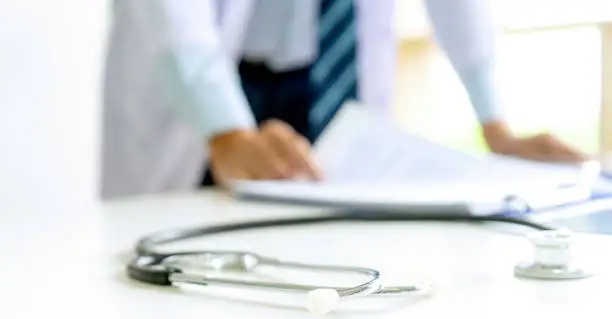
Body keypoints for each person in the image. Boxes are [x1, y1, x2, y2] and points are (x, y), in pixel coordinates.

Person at [101, 0, 587, 199]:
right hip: (211, 89)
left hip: (336, 80)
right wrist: (226, 130)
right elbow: (170, 15)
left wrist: (495, 124)